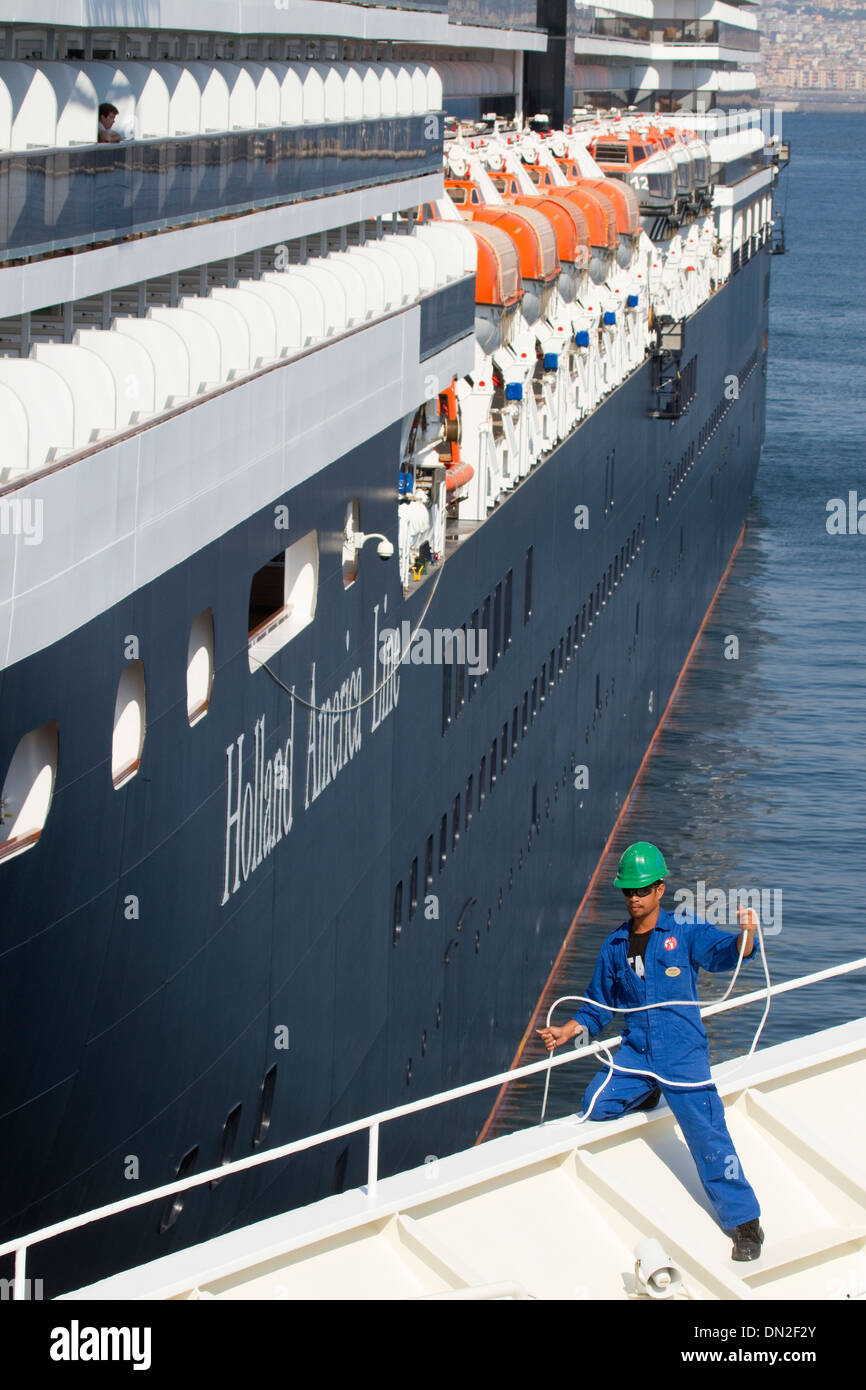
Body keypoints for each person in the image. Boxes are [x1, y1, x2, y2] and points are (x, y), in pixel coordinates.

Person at [537, 841, 765, 1262]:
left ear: (661, 889)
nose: (635, 898)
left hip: (682, 1054)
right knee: (594, 1107)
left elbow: (725, 954)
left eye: (643, 889)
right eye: (629, 891)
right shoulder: (613, 947)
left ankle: (746, 1221)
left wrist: (747, 936)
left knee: (707, 1135)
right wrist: (567, 1030)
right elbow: (596, 1006)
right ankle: (648, 1091)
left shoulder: (685, 930)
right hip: (637, 1053)